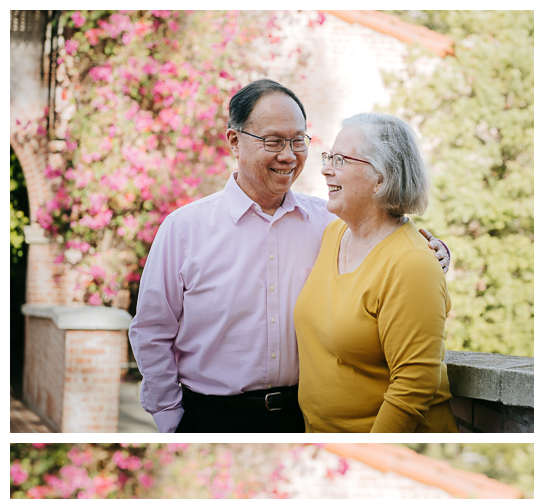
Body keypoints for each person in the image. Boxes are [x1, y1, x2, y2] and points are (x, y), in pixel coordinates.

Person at [128, 80, 450, 434]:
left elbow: (388, 240)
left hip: (298, 419)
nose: (289, 155)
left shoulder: (329, 223)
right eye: (273, 141)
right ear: (234, 141)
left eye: (298, 141)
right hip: (211, 417)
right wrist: (170, 418)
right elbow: (151, 331)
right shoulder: (184, 229)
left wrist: (435, 250)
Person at [295, 113, 458, 433]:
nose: (326, 168)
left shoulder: (413, 264)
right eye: (329, 157)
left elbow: (414, 386)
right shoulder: (334, 235)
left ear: (380, 178)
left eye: (340, 160)